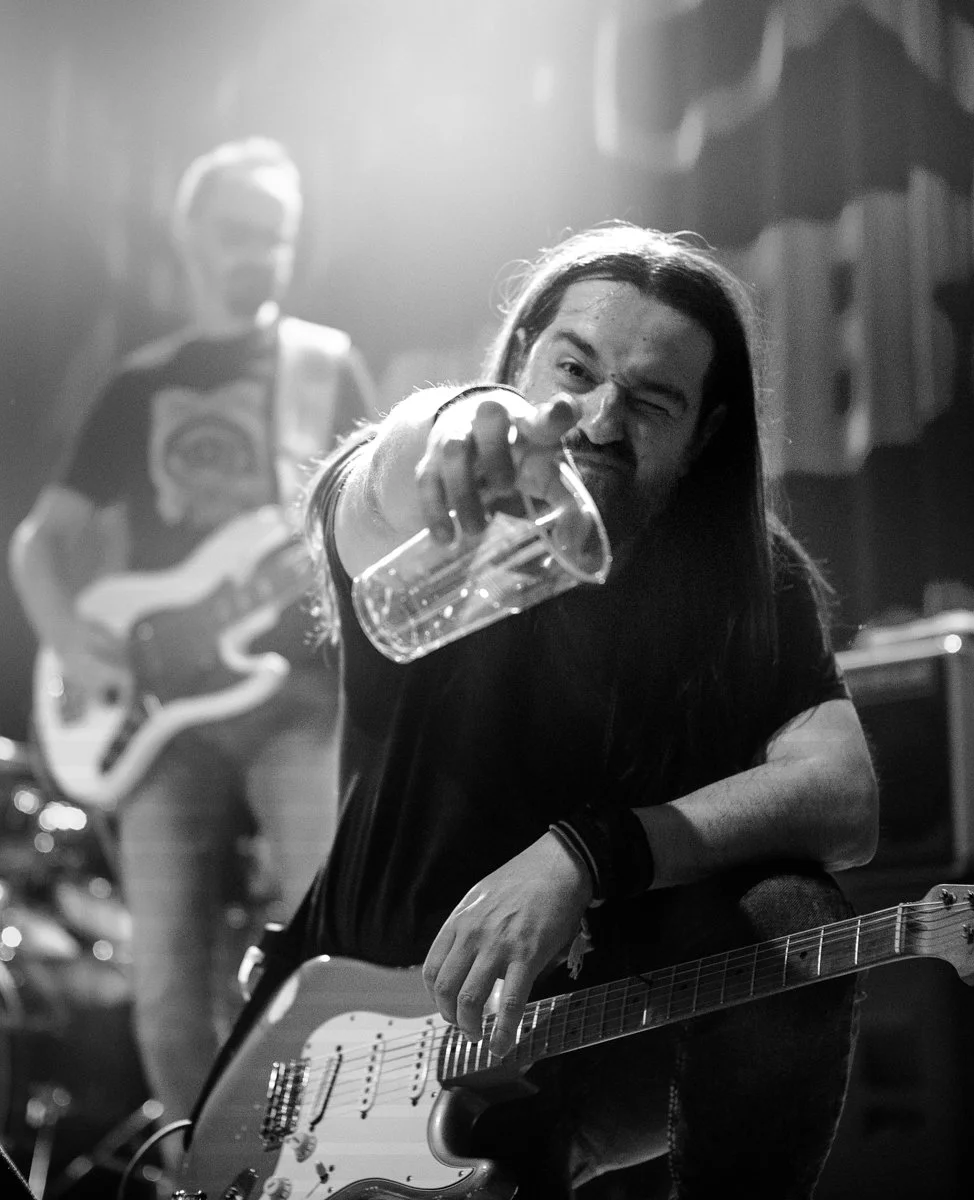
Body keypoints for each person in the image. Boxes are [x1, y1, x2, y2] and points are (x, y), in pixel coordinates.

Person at [272, 223, 880, 1196]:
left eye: (650, 400)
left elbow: (843, 796)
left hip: (579, 1046)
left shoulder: (748, 580)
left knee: (791, 919)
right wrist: (462, 424)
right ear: (519, 360)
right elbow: (376, 484)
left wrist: (588, 853)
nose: (599, 418)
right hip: (348, 1048)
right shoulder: (439, 522)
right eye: (573, 370)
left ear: (704, 436)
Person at [8, 137, 377, 1142]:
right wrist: (81, 653)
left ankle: (330, 1159)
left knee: (335, 951)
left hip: (299, 700)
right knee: (166, 987)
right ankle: (211, 1168)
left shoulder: (323, 365)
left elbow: (374, 517)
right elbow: (41, 544)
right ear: (192, 237)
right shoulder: (139, 384)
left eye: (279, 235)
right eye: (241, 231)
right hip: (162, 724)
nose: (260, 252)